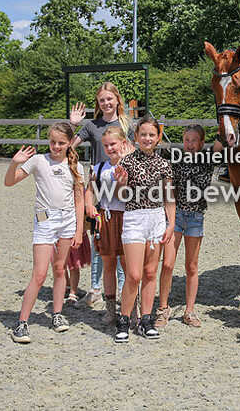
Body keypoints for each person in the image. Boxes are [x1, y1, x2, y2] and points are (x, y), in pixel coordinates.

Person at [5, 122, 84, 343]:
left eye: (61, 143)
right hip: (45, 219)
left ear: (69, 143)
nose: (56, 146)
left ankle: (57, 315)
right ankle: (22, 322)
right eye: (52, 142)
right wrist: (14, 164)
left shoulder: (76, 165)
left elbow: (79, 199)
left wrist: (79, 230)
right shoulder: (39, 160)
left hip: (67, 220)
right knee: (39, 273)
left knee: (60, 269)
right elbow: (9, 182)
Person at [70, 82, 133, 309]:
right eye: (101, 100)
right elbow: (69, 146)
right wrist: (72, 125)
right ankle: (96, 289)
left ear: (117, 100)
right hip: (97, 185)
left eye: (109, 99)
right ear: (98, 104)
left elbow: (135, 151)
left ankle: (121, 292)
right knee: (99, 241)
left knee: (121, 243)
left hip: (121, 185)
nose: (106, 103)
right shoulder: (91, 125)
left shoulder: (127, 125)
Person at [112, 116, 175, 343]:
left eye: (151, 135)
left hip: (157, 218)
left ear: (158, 138)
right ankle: (124, 319)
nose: (147, 138)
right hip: (135, 218)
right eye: (143, 134)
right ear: (136, 137)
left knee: (150, 273)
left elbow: (169, 196)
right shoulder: (127, 161)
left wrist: (171, 224)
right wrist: (120, 182)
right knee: (134, 275)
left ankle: (146, 319)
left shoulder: (164, 164)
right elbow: (121, 195)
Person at [157, 124, 214, 328]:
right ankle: (163, 308)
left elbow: (223, 141)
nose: (190, 144)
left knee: (191, 266)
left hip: (196, 217)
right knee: (167, 264)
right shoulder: (176, 160)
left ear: (201, 142)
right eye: (187, 140)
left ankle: (189, 310)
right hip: (177, 215)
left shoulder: (208, 159)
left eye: (194, 140)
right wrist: (170, 220)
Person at [84, 127, 133, 325]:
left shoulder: (130, 164)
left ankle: (130, 307)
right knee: (109, 265)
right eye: (106, 145)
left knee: (128, 266)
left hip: (126, 217)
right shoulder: (100, 167)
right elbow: (90, 189)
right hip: (105, 216)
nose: (110, 148)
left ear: (123, 143)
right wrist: (88, 203)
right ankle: (111, 308)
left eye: (113, 144)